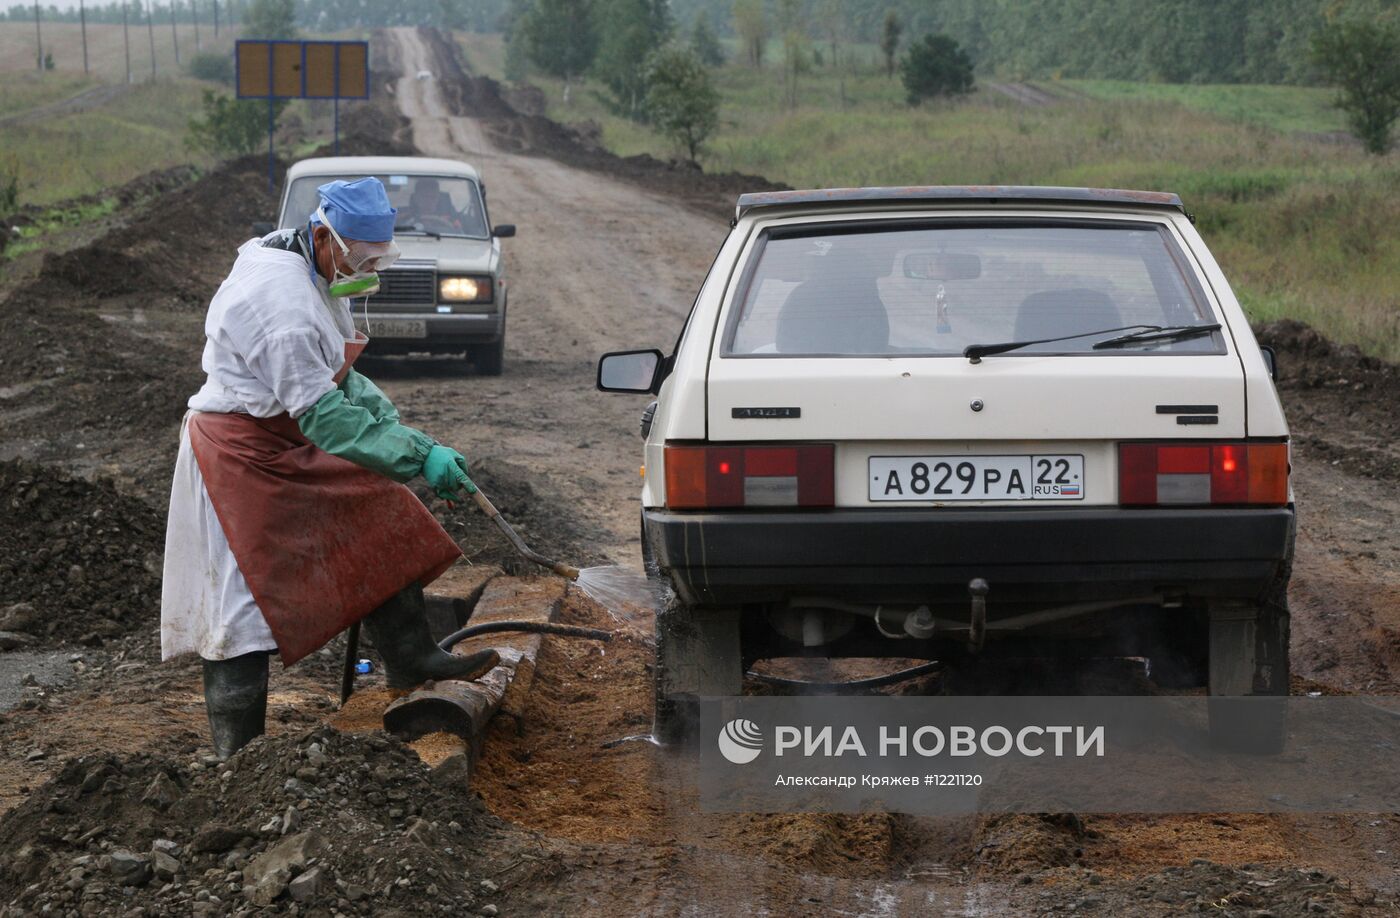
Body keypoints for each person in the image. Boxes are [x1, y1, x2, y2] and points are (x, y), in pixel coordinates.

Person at [161, 177, 498, 760]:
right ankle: (240, 760)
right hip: (241, 452)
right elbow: (328, 421)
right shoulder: (282, 305)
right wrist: (416, 455)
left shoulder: (305, 260)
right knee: (238, 610)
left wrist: (401, 431)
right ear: (325, 236)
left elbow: (338, 375)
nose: (369, 269)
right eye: (362, 257)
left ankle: (410, 656)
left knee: (378, 505)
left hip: (286, 433)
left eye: (378, 258)